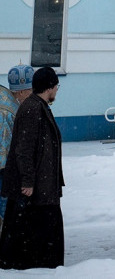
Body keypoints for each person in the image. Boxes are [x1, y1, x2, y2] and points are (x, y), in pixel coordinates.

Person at [0, 66, 64, 270]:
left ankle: (38, 264)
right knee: (29, 231)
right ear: (49, 87)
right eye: (56, 86)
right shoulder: (32, 109)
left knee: (33, 230)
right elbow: (23, 149)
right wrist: (28, 181)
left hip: (43, 185)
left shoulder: (38, 106)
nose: (57, 90)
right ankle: (33, 267)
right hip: (36, 187)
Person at [0, 64, 34, 227]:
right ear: (21, 91)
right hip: (5, 170)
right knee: (5, 212)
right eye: (31, 91)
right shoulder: (10, 107)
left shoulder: (8, 100)